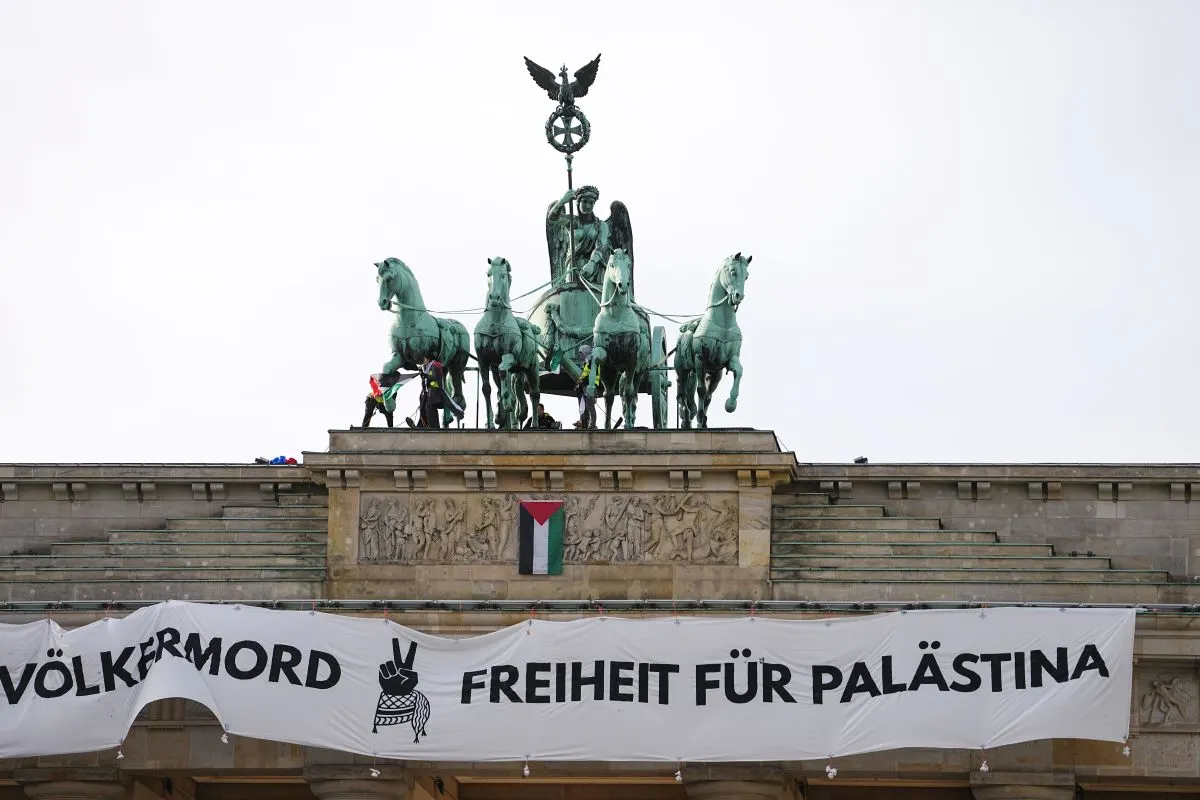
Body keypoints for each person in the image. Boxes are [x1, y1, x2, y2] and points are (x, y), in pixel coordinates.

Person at [417, 354, 463, 429]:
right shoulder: (429, 367)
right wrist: (422, 374)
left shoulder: (435, 365)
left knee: (429, 409)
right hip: (430, 393)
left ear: (428, 359)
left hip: (434, 393)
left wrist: (425, 375)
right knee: (423, 408)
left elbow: (435, 377)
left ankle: (433, 428)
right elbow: (426, 379)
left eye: (425, 359)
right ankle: (422, 425)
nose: (424, 361)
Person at [574, 345, 598, 429]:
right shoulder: (587, 362)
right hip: (587, 386)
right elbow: (585, 374)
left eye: (582, 353)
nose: (581, 355)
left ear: (586, 352)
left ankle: (592, 425)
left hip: (591, 386)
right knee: (588, 406)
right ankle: (590, 424)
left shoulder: (592, 361)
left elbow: (592, 374)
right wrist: (580, 382)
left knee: (590, 406)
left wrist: (582, 381)